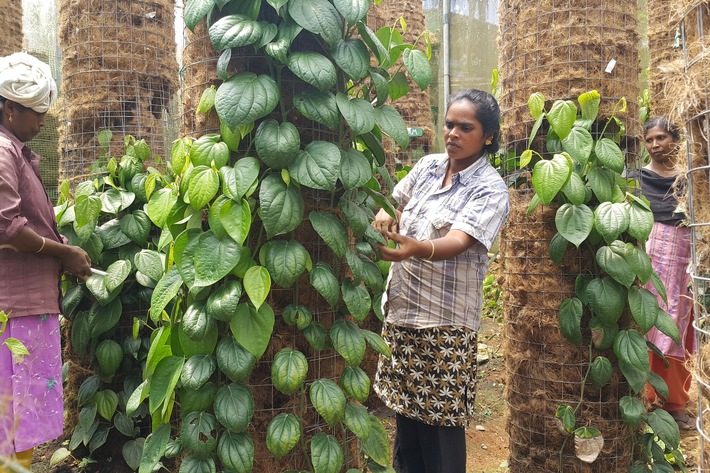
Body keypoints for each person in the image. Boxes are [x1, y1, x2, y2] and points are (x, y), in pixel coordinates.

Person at [371, 89, 510, 473]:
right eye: (449, 124)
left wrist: (416, 248)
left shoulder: (490, 187)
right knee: (406, 419)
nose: (453, 133)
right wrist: (386, 214)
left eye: (465, 127)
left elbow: (460, 240)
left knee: (441, 429)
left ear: (487, 137)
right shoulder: (429, 166)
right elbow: (396, 205)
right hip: (403, 312)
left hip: (444, 325)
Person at [0, 52, 92, 471]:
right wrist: (63, 252)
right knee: (15, 417)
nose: (41, 122)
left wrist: (55, 241)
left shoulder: (14, 151)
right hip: (19, 306)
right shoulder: (3, 150)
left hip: (26, 302)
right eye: (34, 113)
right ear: (9, 108)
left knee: (15, 418)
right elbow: (9, 227)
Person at [638, 116, 695, 430]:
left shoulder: (690, 175)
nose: (655, 145)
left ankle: (675, 401)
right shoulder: (639, 178)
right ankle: (646, 396)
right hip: (652, 253)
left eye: (661, 138)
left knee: (678, 323)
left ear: (675, 139)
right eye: (650, 140)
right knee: (650, 319)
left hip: (684, 251)